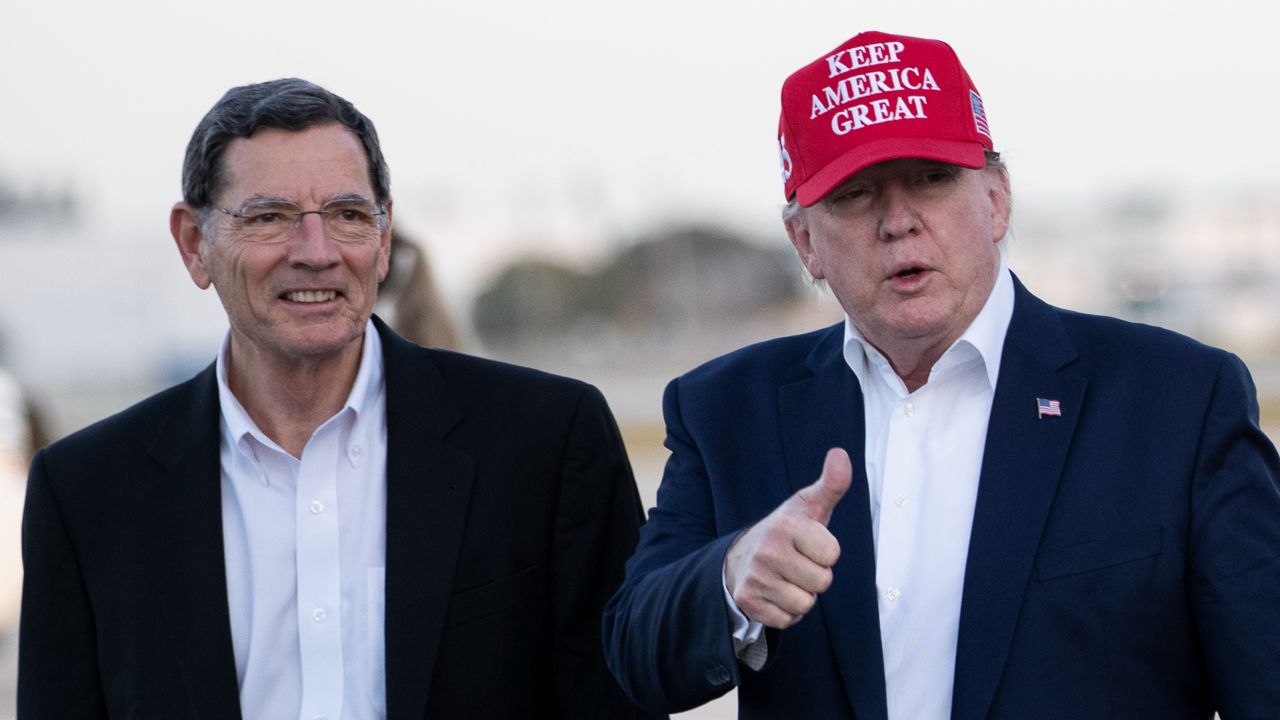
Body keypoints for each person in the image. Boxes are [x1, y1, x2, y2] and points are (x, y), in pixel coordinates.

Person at [603, 30, 1280, 719]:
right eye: (855, 194)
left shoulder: (1177, 401)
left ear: (996, 199)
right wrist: (730, 579)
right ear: (805, 242)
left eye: (932, 178)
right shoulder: (725, 409)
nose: (899, 221)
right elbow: (633, 653)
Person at [20, 78, 660, 719]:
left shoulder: (547, 444)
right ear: (194, 244)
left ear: (384, 240)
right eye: (268, 217)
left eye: (349, 216)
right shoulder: (86, 493)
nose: (317, 253)